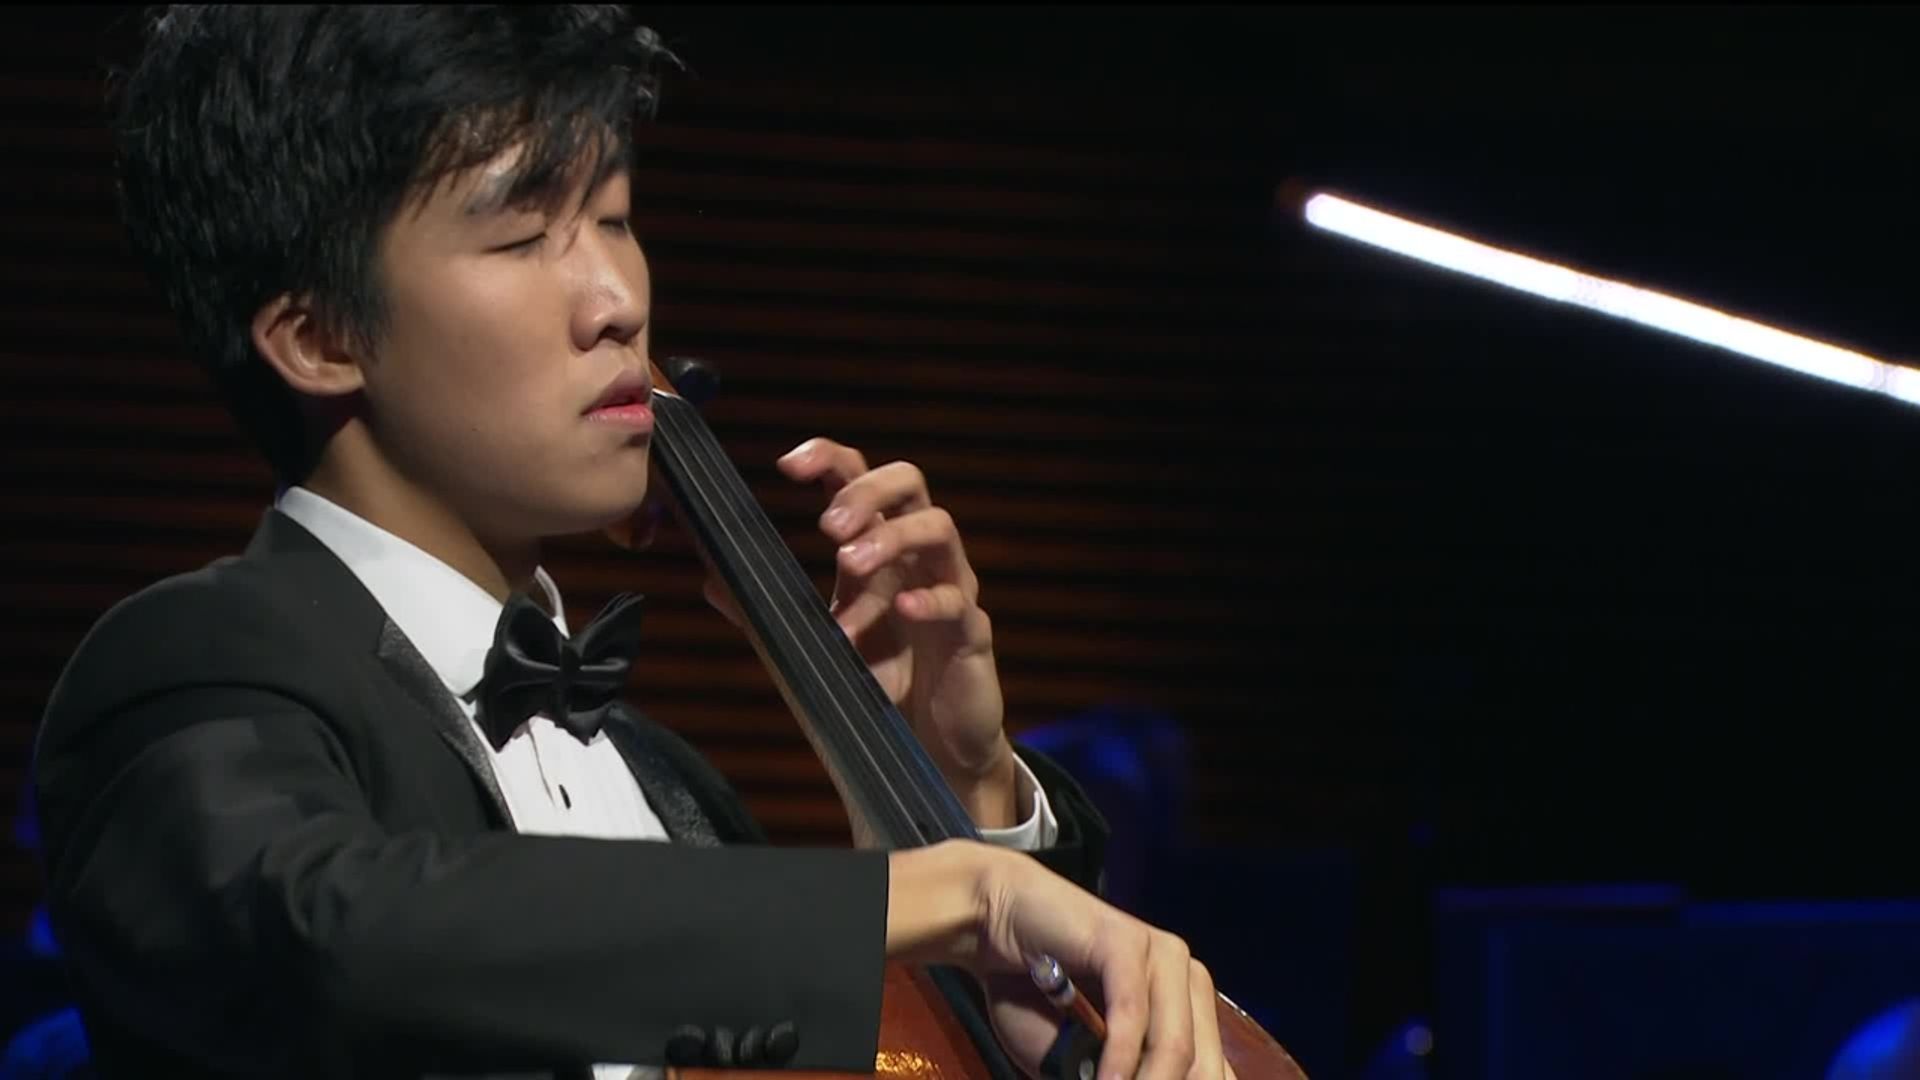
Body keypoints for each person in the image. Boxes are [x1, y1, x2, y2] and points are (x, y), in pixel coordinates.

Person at [29, 6, 1229, 1080]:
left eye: (615, 219)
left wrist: (954, 796)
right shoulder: (180, 669)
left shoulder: (669, 790)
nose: (618, 299)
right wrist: (943, 890)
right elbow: (330, 933)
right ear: (320, 338)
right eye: (522, 236)